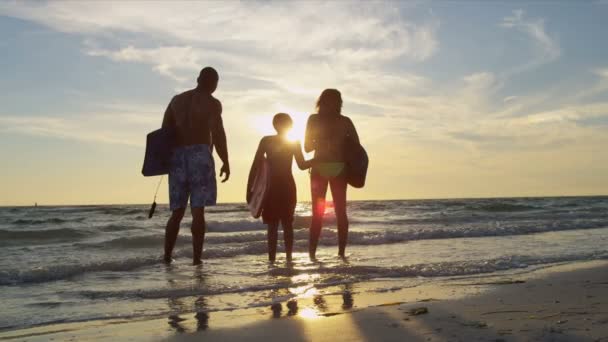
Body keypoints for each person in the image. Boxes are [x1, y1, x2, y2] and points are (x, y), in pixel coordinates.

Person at [161, 67, 230, 265]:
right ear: (214, 84)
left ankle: (167, 257)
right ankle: (196, 259)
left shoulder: (176, 100)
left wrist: (166, 160)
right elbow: (218, 133)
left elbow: (165, 131)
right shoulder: (212, 103)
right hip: (200, 154)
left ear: (198, 79)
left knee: (177, 212)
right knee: (198, 211)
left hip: (177, 156)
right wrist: (225, 160)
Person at [247, 113, 313, 262]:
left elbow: (255, 164)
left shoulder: (268, 141)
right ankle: (286, 259)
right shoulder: (286, 142)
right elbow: (302, 165)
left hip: (275, 187)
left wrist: (249, 188)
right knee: (284, 224)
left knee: (275, 225)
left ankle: (275, 260)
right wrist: (317, 160)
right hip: (280, 187)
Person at [304, 89, 359, 259]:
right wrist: (323, 140)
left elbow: (356, 147)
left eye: (336, 101)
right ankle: (313, 254)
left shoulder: (343, 121)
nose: (333, 105)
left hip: (334, 170)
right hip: (324, 169)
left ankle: (340, 253)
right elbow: (307, 147)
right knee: (321, 213)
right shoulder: (316, 120)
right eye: (331, 101)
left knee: (337, 212)